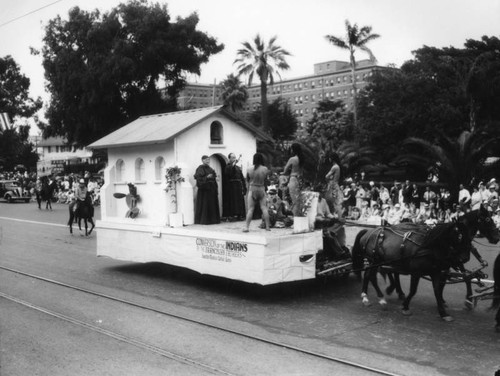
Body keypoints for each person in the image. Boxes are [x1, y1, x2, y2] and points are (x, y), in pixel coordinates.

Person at [243, 153, 270, 232]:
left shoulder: (249, 169)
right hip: (261, 189)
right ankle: (268, 227)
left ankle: (247, 227)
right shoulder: (265, 169)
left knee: (250, 209)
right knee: (264, 208)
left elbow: (248, 180)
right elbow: (266, 180)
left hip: (252, 189)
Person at [194, 155, 220, 225]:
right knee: (205, 204)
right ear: (202, 160)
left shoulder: (210, 169)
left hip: (211, 189)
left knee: (211, 204)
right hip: (204, 190)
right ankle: (204, 220)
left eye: (208, 159)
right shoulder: (200, 168)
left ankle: (213, 220)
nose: (208, 161)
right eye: (206, 159)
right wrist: (206, 177)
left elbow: (214, 176)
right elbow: (198, 178)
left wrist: (214, 178)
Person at [224, 153, 247, 220]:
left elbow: (242, 177)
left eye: (235, 157)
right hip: (232, 186)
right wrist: (233, 165)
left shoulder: (237, 167)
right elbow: (229, 174)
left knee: (239, 200)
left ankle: (240, 215)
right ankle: (233, 215)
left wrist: (244, 187)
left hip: (238, 186)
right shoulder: (227, 167)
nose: (234, 159)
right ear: (229, 158)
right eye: (233, 158)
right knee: (233, 200)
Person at [283, 143, 304, 216]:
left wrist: (284, 173)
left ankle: (296, 219)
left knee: (294, 200)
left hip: (293, 179)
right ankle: (299, 217)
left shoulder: (292, 159)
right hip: (300, 180)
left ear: (293, 150)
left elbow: (285, 170)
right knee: (299, 200)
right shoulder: (302, 159)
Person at [325, 152, 343, 218]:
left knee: (332, 202)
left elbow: (326, 176)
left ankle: (335, 217)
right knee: (335, 202)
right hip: (335, 184)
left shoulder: (334, 167)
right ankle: (338, 216)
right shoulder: (338, 167)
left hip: (332, 185)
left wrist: (328, 179)